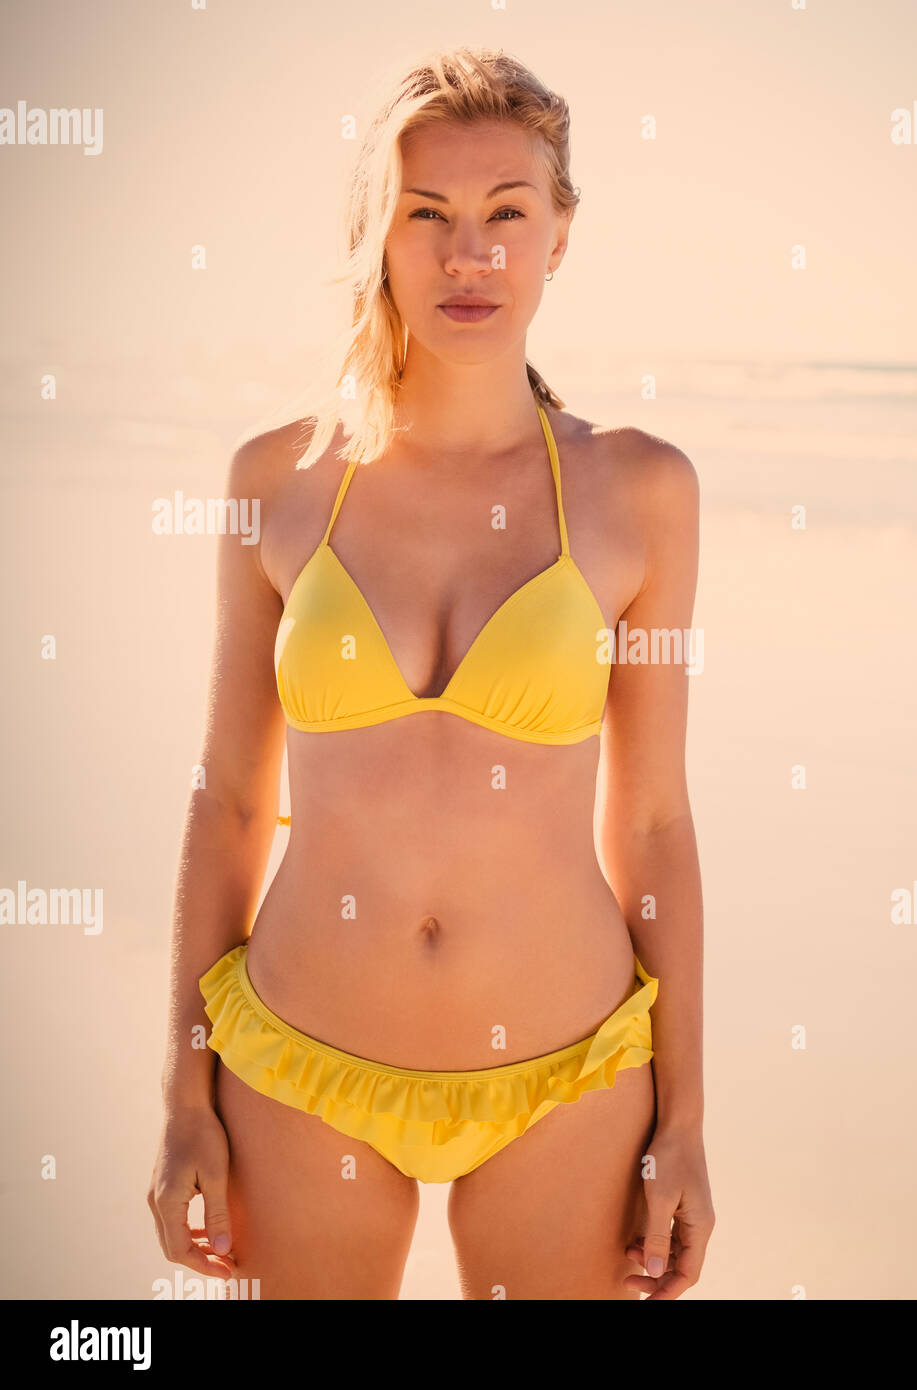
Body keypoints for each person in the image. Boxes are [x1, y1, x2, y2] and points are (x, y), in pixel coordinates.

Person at [146, 46, 711, 1300]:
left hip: (567, 1073)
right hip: (304, 1062)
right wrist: (185, 1096)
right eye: (429, 216)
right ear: (378, 236)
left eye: (509, 214)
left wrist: (685, 1124)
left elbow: (657, 818)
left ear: (559, 236)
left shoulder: (639, 491)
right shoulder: (277, 483)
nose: (471, 256)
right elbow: (230, 802)